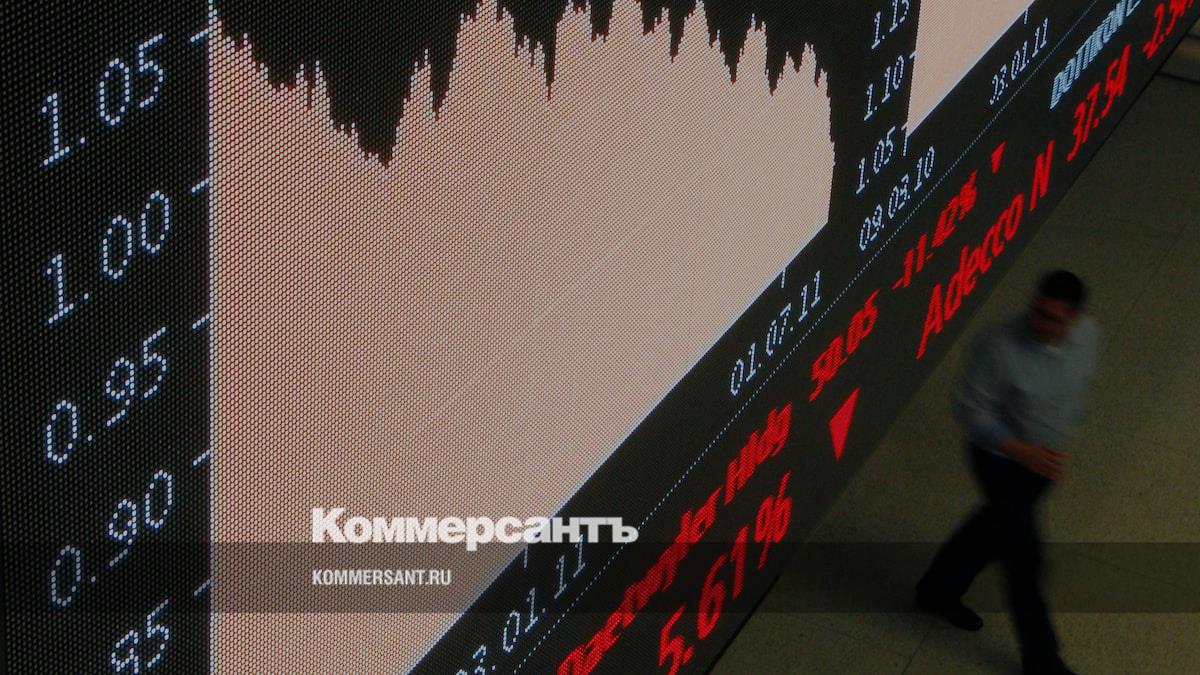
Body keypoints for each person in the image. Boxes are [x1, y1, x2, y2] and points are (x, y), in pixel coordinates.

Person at [915, 270, 1103, 675]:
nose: (1040, 323)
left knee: (990, 530)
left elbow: (1075, 388)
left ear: (1074, 319)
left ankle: (935, 592)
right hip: (1002, 460)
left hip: (1043, 463)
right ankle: (1042, 661)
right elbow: (970, 410)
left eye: (1053, 318)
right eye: (1037, 311)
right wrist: (1023, 451)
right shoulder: (998, 347)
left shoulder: (1088, 337)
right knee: (1024, 558)